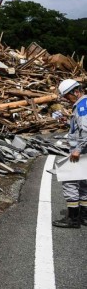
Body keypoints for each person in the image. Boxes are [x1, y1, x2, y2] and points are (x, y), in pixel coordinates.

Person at [52, 79, 87, 228]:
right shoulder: (81, 105)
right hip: (84, 151)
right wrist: (67, 121)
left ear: (76, 91)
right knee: (84, 184)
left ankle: (73, 219)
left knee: (70, 182)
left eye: (68, 96)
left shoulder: (82, 107)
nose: (67, 99)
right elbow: (78, 127)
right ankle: (84, 217)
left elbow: (86, 130)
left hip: (81, 152)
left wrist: (78, 150)